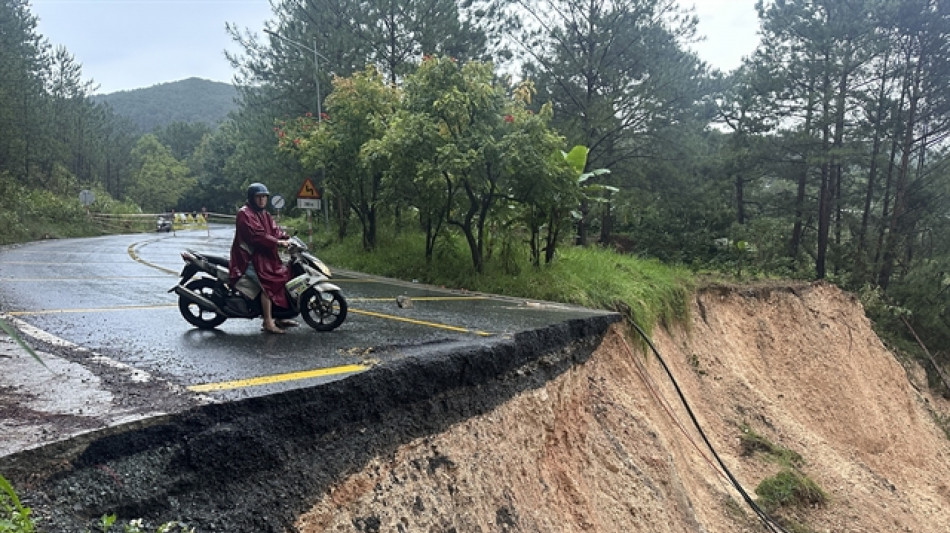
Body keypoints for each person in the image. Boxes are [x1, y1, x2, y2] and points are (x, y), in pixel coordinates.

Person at [229, 183, 298, 334]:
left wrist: (286, 237)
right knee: (268, 285)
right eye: (258, 197)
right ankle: (267, 322)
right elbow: (257, 236)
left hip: (263, 256)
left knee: (282, 278)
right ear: (251, 198)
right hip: (247, 258)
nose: (262, 200)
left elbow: (274, 230)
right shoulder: (245, 214)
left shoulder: (264, 213)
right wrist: (277, 242)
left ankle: (278, 316)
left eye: (264, 197)